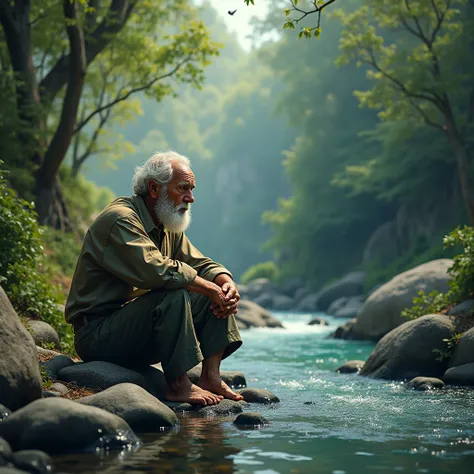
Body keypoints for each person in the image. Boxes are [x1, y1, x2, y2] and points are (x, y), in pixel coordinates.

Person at [65, 151, 243, 406]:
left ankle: (210, 377)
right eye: (183, 188)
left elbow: (201, 264)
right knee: (175, 292)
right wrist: (209, 287)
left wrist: (224, 282)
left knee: (213, 289)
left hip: (134, 331)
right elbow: (157, 271)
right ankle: (177, 385)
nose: (190, 198)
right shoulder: (120, 220)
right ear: (154, 188)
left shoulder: (166, 224)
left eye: (192, 189)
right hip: (97, 335)